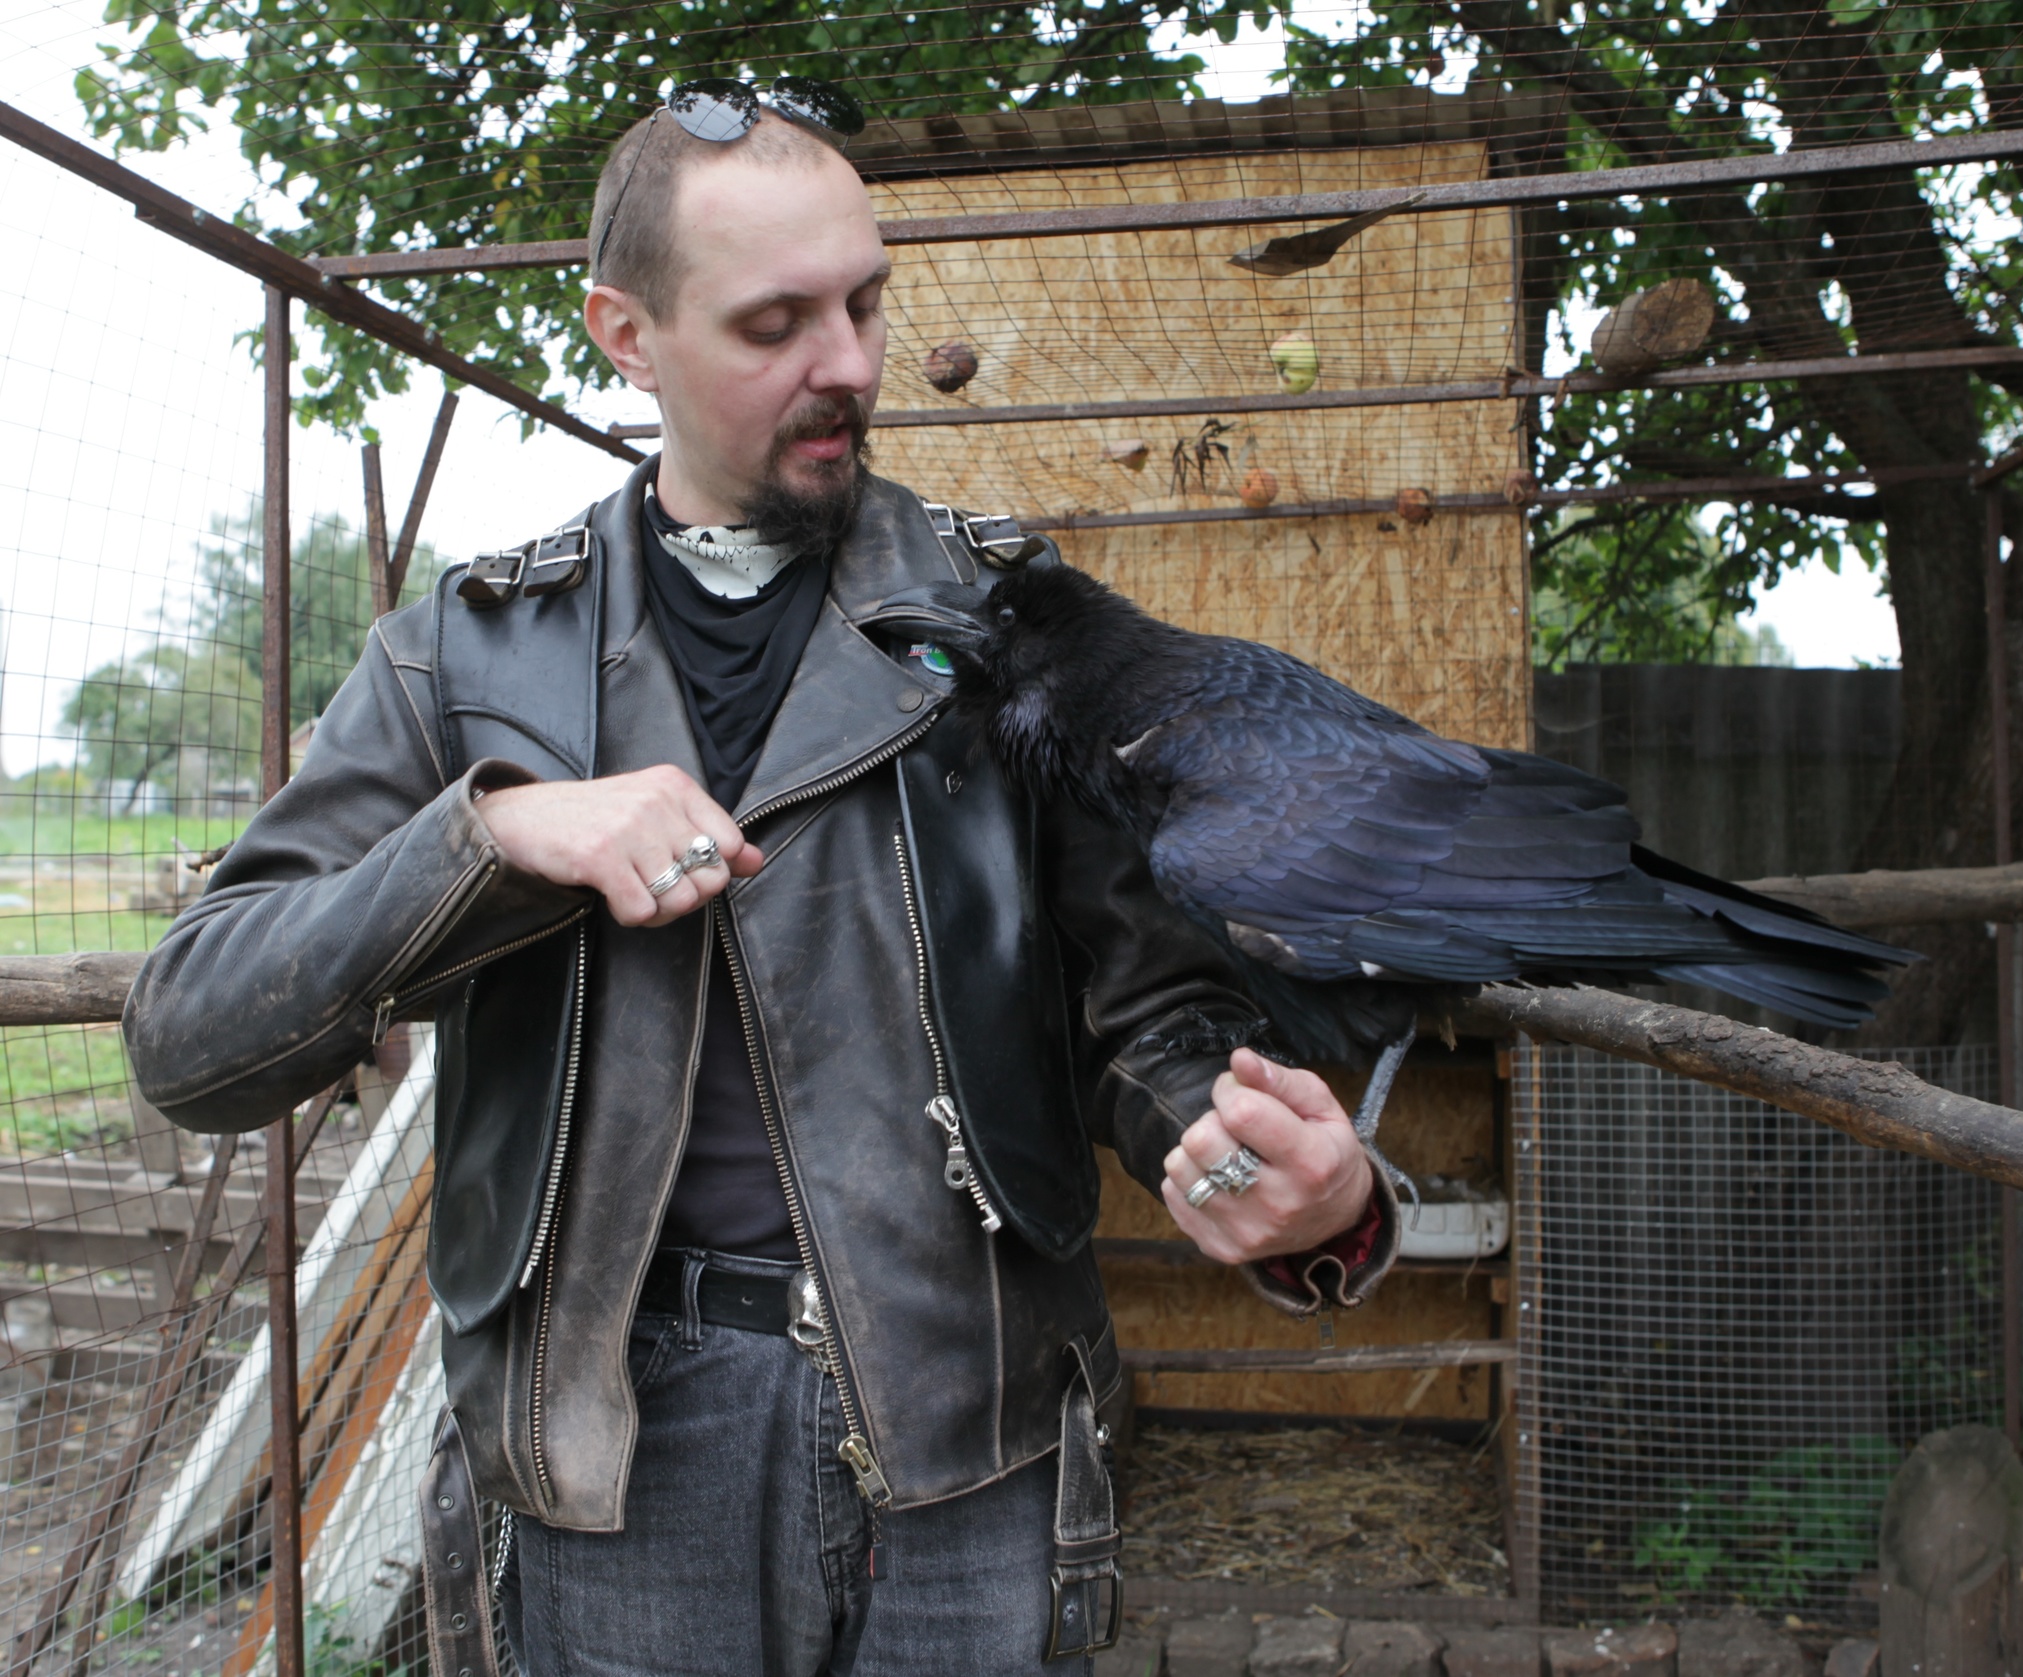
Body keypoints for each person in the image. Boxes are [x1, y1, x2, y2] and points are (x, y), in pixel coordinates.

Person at [124, 76, 1402, 1677]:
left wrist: (1300, 1190)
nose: (850, 364)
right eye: (776, 322)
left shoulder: (1012, 618)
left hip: (975, 1426)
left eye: (866, 302)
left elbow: (1151, 1018)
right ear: (624, 331)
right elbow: (191, 1033)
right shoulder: (462, 656)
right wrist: (497, 836)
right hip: (614, 1460)